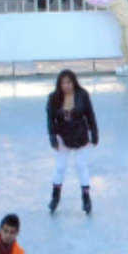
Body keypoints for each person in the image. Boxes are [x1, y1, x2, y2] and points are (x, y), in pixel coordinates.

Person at [46, 70, 99, 213]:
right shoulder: (53, 98)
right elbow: (50, 119)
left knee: (81, 166)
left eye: (69, 82)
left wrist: (94, 132)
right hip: (62, 136)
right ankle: (55, 197)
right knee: (60, 167)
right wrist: (52, 137)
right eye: (63, 83)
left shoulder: (83, 95)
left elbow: (90, 115)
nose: (66, 86)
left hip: (81, 135)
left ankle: (86, 198)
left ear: (74, 82)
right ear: (59, 84)